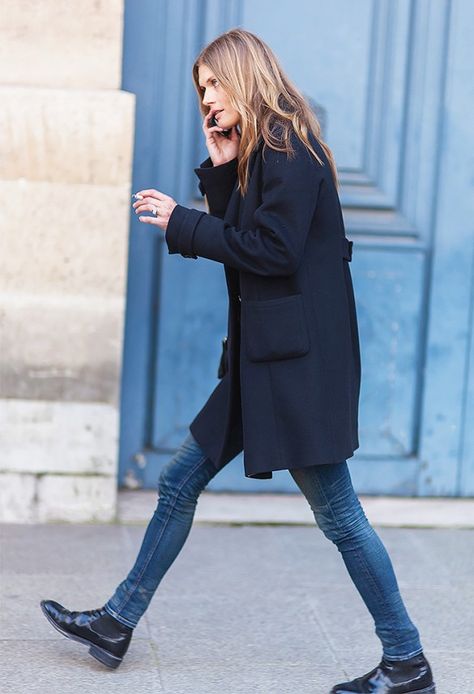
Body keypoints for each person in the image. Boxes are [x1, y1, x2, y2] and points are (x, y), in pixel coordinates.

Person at [40, 28, 436, 693]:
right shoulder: (265, 151)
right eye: (201, 92)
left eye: (213, 85)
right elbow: (252, 239)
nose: (207, 100)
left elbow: (272, 253)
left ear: (242, 76)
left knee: (339, 516)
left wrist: (180, 221)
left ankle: (406, 661)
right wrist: (222, 168)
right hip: (265, 362)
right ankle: (116, 621)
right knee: (178, 479)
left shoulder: (289, 147)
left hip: (295, 368)